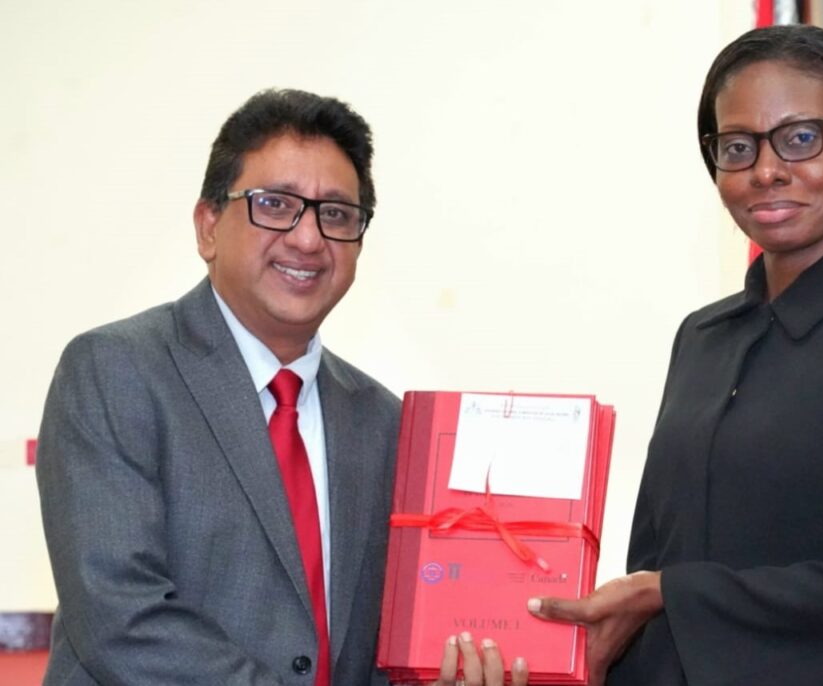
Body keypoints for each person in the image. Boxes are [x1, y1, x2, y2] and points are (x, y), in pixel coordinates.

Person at [529, 24, 823, 686]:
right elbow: (649, 576)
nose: (765, 170)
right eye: (738, 147)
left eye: (799, 137)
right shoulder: (701, 336)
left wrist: (668, 593)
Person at [36, 89, 526, 686]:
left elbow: (378, 650)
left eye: (336, 214)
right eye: (275, 204)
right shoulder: (115, 371)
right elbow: (121, 616)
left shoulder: (386, 423)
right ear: (208, 226)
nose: (308, 238)